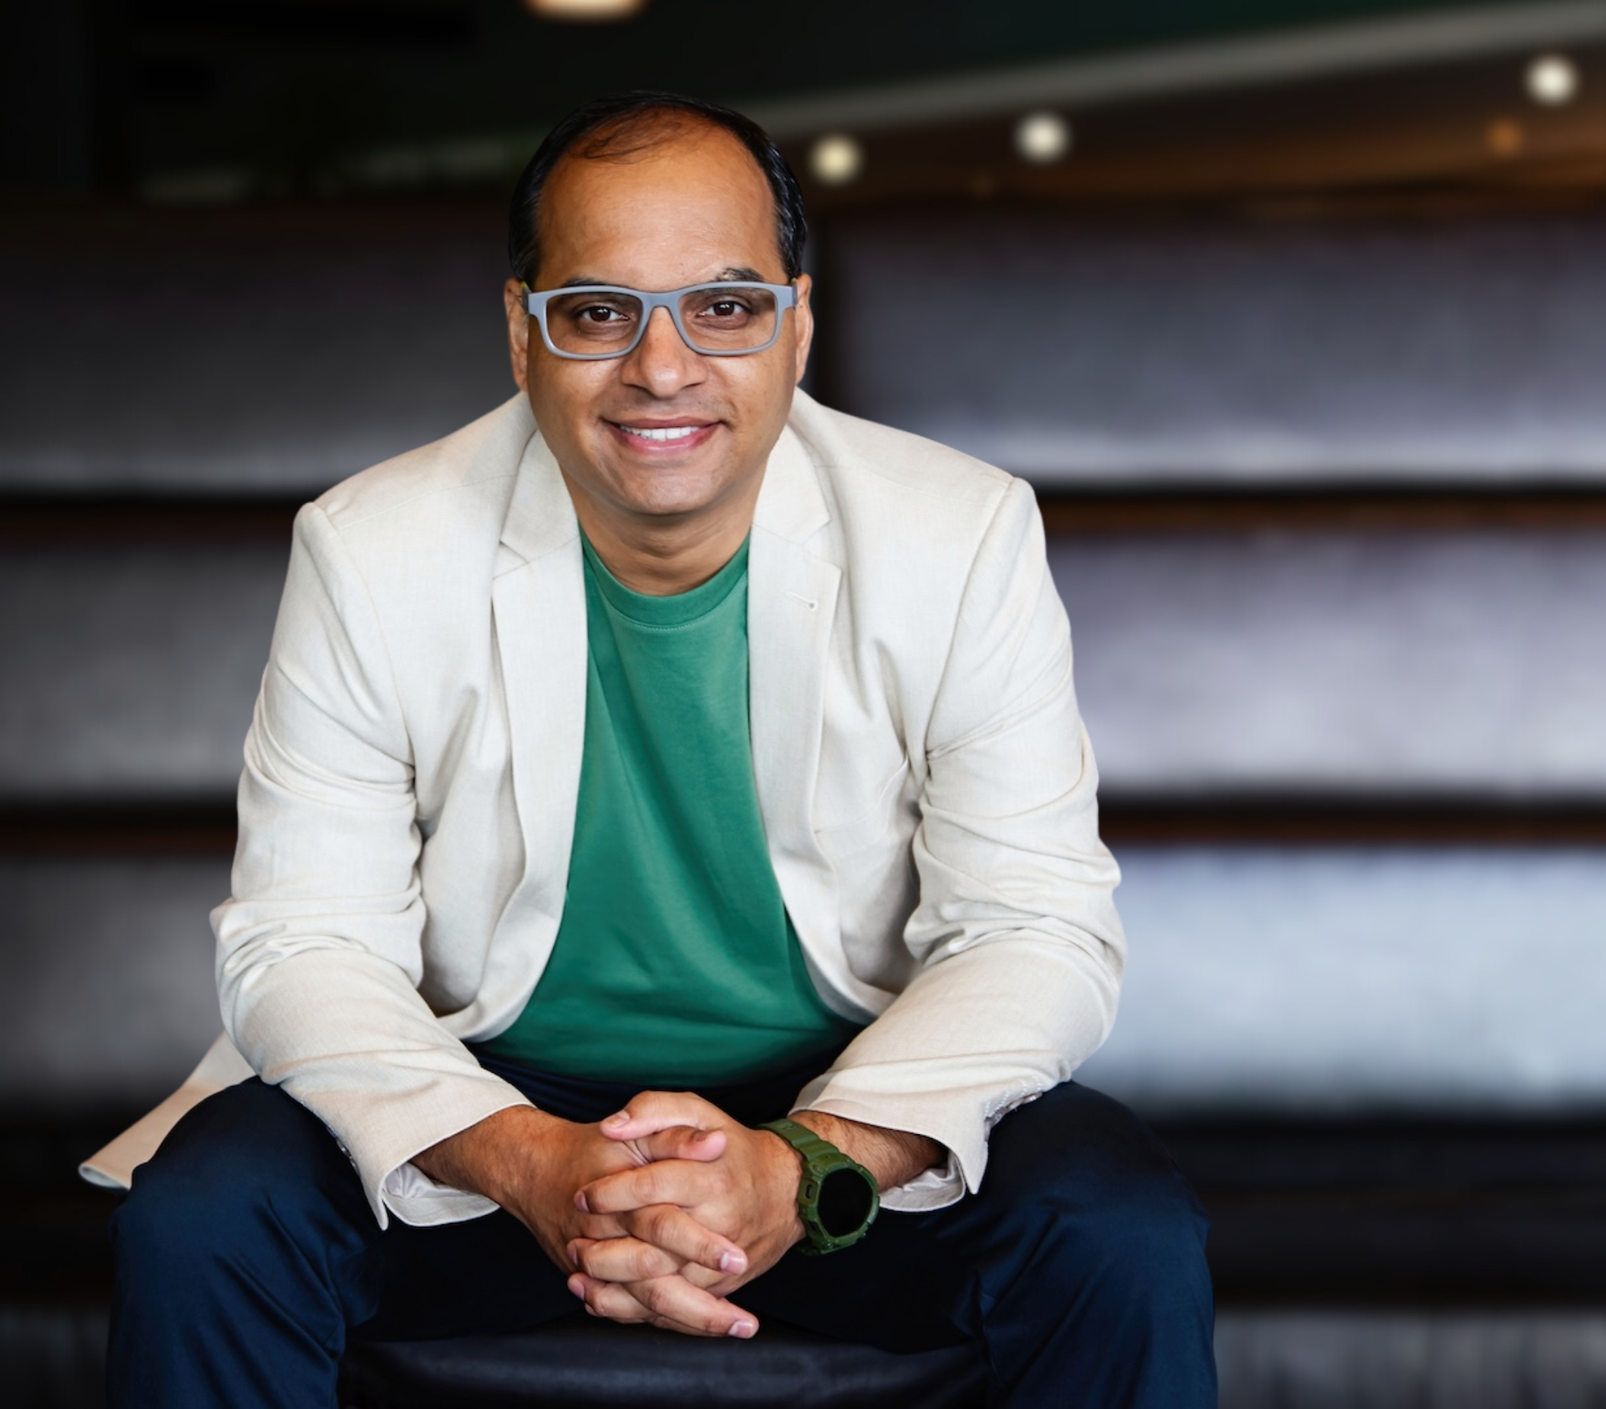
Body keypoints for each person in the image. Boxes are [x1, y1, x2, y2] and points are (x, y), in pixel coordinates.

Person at [94, 90, 1214, 1408]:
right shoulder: (371, 548)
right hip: (479, 1107)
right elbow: (302, 944)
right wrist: (531, 1161)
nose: (663, 369)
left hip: (848, 1104)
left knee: (1115, 1229)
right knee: (208, 1216)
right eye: (597, 313)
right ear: (523, 334)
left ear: (799, 326)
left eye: (725, 307)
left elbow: (1036, 931)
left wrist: (802, 1161)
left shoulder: (960, 537)